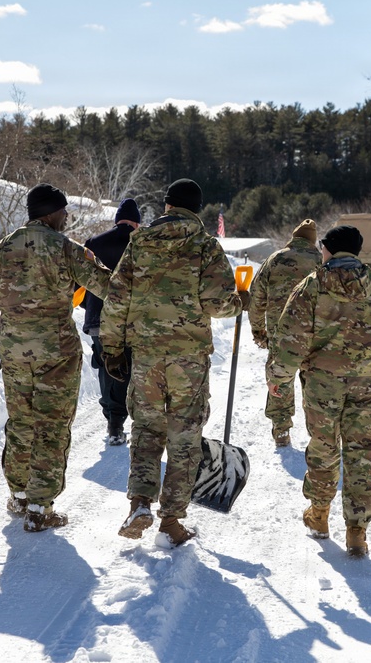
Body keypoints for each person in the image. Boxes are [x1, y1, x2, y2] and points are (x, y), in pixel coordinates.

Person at [100, 178, 245, 547]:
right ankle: (171, 521)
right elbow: (217, 303)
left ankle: (139, 503)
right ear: (197, 208)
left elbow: (116, 300)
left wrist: (113, 349)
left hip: (147, 357)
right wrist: (239, 300)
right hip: (188, 361)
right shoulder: (205, 246)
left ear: (166, 205)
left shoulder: (140, 243)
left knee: (146, 430)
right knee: (184, 437)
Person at [266, 225, 371, 557]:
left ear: (330, 250)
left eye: (323, 248)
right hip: (368, 386)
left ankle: (319, 516)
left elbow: (290, 337)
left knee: (324, 448)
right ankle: (357, 532)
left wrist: (278, 378)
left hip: (322, 386)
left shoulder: (311, 287)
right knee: (362, 453)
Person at [0, 183, 112, 533]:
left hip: (14, 354)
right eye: (64, 212)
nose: (66, 218)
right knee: (51, 426)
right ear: (51, 213)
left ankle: (19, 495)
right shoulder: (66, 249)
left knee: (21, 423)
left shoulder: (0, 251)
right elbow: (109, 286)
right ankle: (39, 507)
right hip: (56, 354)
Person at [247, 219, 322, 447]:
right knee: (315, 381)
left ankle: (281, 430)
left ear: (294, 237)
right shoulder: (321, 261)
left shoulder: (275, 259)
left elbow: (256, 296)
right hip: (315, 335)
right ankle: (320, 432)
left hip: (280, 334)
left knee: (280, 378)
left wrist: (259, 329)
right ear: (313, 240)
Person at [81, 198, 141, 446]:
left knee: (108, 368)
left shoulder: (94, 243)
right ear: (137, 223)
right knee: (133, 369)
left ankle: (114, 424)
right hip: (133, 320)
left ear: (117, 219)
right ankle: (138, 424)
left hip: (99, 319)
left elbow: (81, 283)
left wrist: (90, 307)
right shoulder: (142, 244)